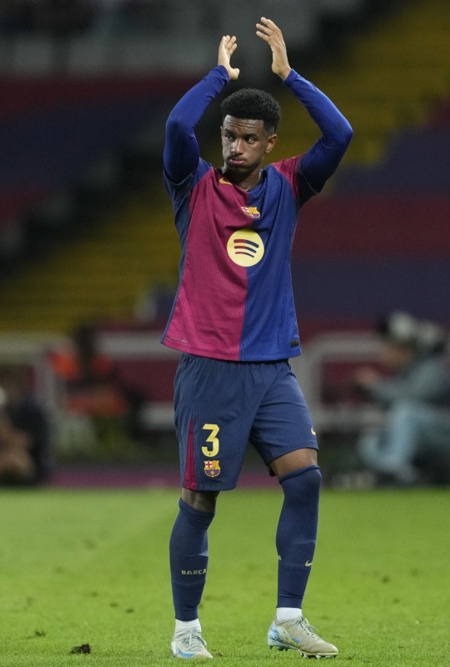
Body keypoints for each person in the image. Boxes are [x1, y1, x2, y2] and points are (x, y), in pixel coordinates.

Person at [161, 18, 352, 660]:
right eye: (228, 136)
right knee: (201, 499)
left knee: (305, 480)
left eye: (248, 138)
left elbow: (341, 134)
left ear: (270, 143)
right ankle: (186, 629)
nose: (234, 147)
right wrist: (221, 76)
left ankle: (288, 619)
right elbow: (174, 130)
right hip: (211, 366)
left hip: (271, 366)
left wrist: (290, 74)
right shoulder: (193, 188)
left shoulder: (290, 186)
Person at [354, 312, 450, 487]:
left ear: (408, 349)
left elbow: (409, 399)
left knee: (407, 412)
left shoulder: (433, 368)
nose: (385, 353)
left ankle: (393, 468)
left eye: (391, 347)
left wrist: (375, 386)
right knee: (371, 439)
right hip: (425, 436)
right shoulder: (407, 372)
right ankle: (396, 476)